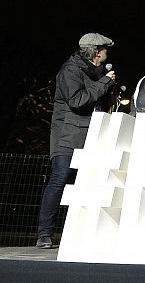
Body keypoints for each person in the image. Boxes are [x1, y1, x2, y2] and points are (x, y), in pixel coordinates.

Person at [36, 32, 117, 249]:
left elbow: (96, 100)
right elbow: (77, 100)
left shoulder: (95, 73)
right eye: (104, 49)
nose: (107, 52)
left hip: (91, 134)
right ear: (96, 52)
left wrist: (108, 90)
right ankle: (44, 233)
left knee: (90, 181)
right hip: (67, 134)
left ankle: (86, 231)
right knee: (60, 178)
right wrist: (103, 84)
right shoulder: (70, 70)